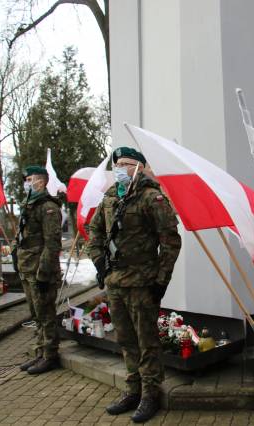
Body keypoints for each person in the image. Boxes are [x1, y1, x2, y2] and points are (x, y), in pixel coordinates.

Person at [88, 147, 181, 423]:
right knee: (126, 340)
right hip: (115, 282)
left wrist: (161, 280)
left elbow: (171, 241)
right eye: (117, 164)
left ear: (140, 167)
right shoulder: (109, 198)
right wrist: (99, 263)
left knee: (146, 341)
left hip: (142, 283)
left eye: (126, 163)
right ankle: (133, 390)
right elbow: (94, 230)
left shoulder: (152, 198)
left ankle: (151, 394)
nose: (120, 168)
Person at [14, 166, 63, 375]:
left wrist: (43, 273)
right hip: (27, 268)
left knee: (46, 314)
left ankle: (50, 355)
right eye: (26, 179)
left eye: (30, 179)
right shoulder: (29, 205)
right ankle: (40, 352)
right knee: (36, 314)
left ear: (41, 182)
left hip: (41, 271)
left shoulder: (48, 207)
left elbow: (52, 243)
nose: (26, 182)